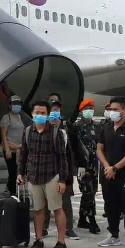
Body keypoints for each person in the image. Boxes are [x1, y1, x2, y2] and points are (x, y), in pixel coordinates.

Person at [18, 100, 68, 248]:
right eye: (37, 113)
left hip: (51, 175)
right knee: (38, 209)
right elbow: (24, 155)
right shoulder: (27, 132)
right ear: (32, 114)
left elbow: (62, 157)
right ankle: (38, 239)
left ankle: (61, 241)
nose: (39, 115)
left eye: (43, 113)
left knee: (57, 208)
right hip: (34, 176)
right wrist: (21, 173)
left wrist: (62, 180)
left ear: (47, 115)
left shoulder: (55, 133)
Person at [96, 97, 125, 248]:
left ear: (124, 110)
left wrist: (115, 168)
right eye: (111, 109)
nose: (112, 112)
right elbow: (99, 149)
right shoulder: (106, 128)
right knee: (110, 205)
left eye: (116, 109)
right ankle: (113, 235)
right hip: (108, 174)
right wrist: (107, 166)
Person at [45, 100, 79, 240]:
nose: (55, 114)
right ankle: (43, 228)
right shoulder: (42, 129)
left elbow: (73, 150)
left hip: (62, 171)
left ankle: (68, 228)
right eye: (53, 111)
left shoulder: (66, 130)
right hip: (46, 171)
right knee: (46, 201)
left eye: (57, 111)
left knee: (65, 201)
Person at [75, 98, 101, 234]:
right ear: (81, 111)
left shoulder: (97, 126)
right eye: (86, 109)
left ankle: (81, 218)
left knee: (91, 192)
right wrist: (79, 164)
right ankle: (92, 221)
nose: (89, 111)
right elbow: (75, 148)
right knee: (88, 192)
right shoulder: (77, 127)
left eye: (91, 108)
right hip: (82, 166)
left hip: (94, 165)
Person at [0, 95, 27, 196]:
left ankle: (13, 190)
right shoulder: (6, 118)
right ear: (10, 105)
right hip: (10, 149)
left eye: (18, 104)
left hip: (19, 149)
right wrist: (7, 149)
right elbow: (3, 135)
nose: (17, 106)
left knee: (18, 171)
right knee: (12, 172)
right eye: (14, 104)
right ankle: (11, 192)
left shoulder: (20, 117)